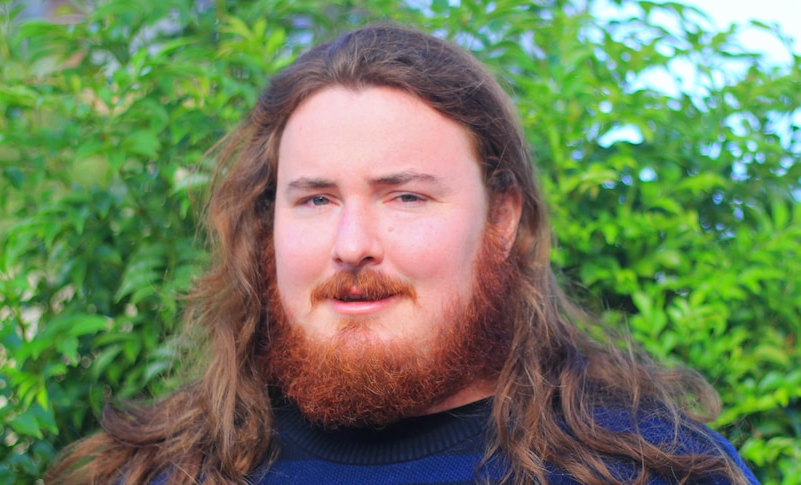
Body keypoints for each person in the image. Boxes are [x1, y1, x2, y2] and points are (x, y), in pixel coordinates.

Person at [47, 23, 759, 485]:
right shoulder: (153, 474)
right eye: (315, 199)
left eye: (406, 197)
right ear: (267, 228)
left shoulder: (656, 468)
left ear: (502, 218)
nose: (353, 245)